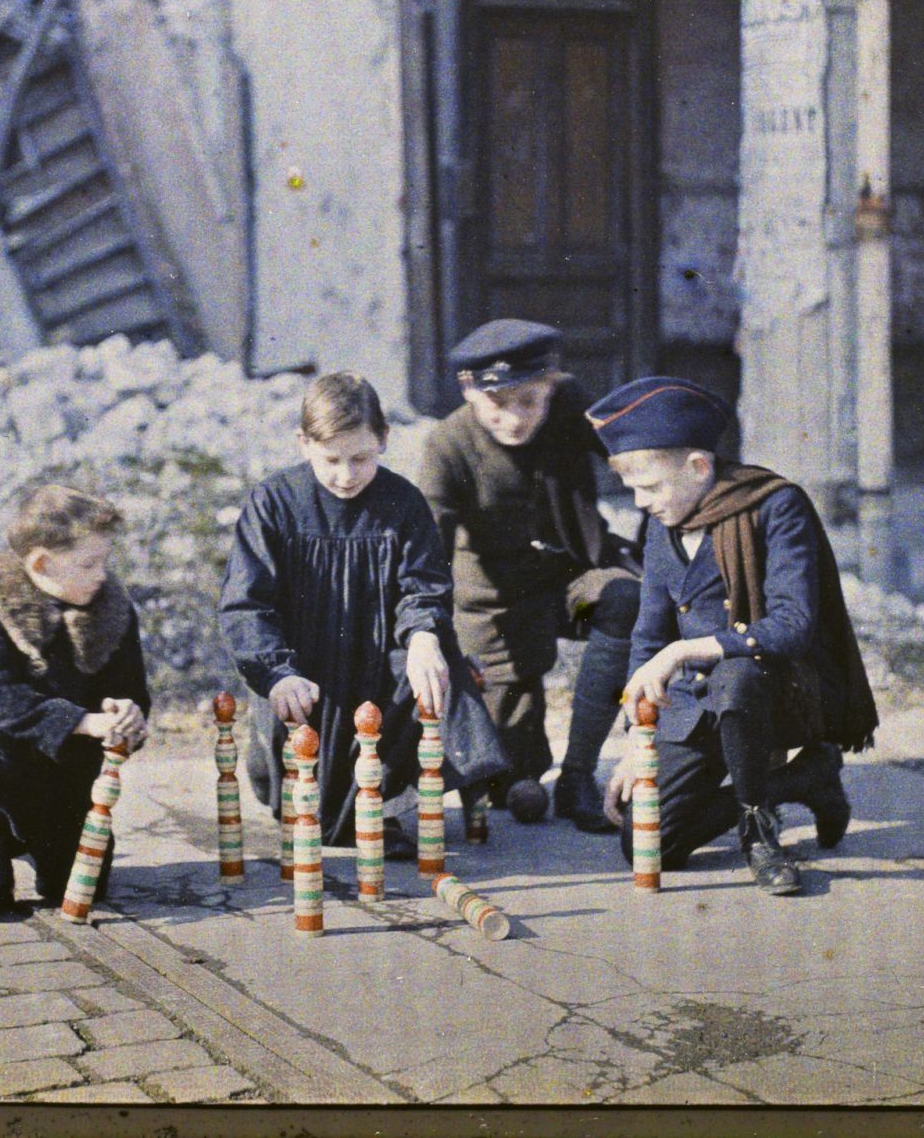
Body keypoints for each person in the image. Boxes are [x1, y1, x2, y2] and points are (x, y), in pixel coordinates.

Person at [591, 377, 879, 895]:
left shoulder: (775, 505)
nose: (640, 502)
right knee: (647, 844)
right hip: (695, 702)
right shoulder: (662, 524)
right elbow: (648, 638)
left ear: (698, 467)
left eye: (650, 487)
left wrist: (685, 650)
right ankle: (805, 780)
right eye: (632, 489)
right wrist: (637, 739)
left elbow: (792, 626)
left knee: (736, 675)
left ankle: (758, 830)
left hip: (776, 693)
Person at [220, 371, 512, 858]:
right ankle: (331, 804)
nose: (346, 475)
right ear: (303, 443)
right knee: (309, 797)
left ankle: (384, 804)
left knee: (431, 672)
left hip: (379, 658)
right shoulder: (273, 502)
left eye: (360, 458)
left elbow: (423, 584)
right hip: (303, 667)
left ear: (383, 440)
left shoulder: (403, 502)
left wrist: (423, 637)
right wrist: (276, 673)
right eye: (331, 460)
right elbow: (246, 604)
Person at [413, 319, 644, 831]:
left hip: (573, 576)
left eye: (529, 401)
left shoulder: (570, 403)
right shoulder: (446, 446)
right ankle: (523, 764)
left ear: (552, 384)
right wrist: (431, 631)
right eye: (497, 403)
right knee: (511, 777)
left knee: (625, 599)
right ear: (468, 390)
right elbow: (428, 552)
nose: (515, 418)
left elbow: (638, 454)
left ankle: (579, 774)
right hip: (495, 603)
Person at [0, 484, 152, 925]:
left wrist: (126, 715)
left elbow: (131, 687)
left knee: (74, 883)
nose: (101, 575)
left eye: (104, 561)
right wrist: (81, 721)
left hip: (69, 756)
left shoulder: (111, 611)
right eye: (88, 564)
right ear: (40, 563)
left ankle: (43, 842)